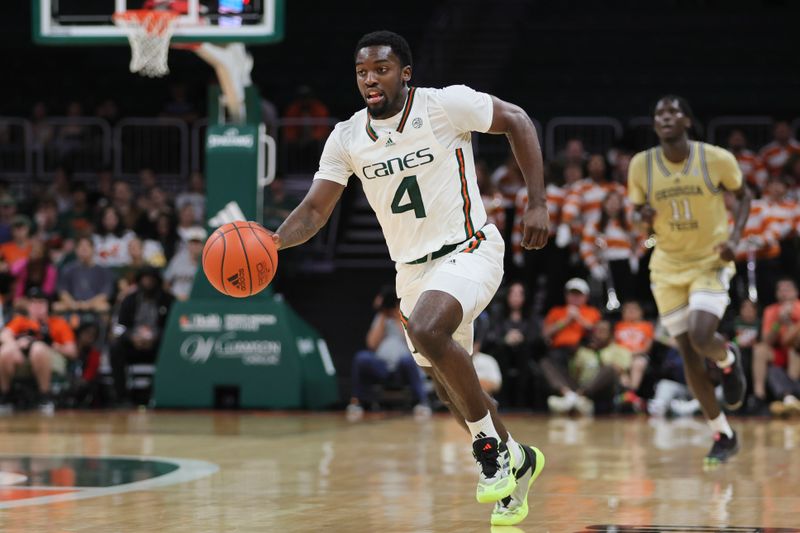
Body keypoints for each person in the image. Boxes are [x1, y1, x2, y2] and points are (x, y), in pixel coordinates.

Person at [268, 31, 547, 526]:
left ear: (405, 73)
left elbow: (518, 121)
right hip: (412, 269)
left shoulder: (444, 106)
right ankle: (518, 458)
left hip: (471, 246)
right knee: (448, 387)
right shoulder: (347, 137)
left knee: (426, 329)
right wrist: (271, 244)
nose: (370, 79)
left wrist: (538, 202)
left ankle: (490, 452)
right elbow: (314, 210)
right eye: (362, 72)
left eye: (381, 69)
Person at [627, 95, 750, 464]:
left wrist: (734, 239)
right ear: (654, 125)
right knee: (687, 352)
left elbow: (744, 197)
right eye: (659, 113)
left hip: (709, 260)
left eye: (673, 111)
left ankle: (728, 357)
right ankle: (723, 433)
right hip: (666, 267)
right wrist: (641, 216)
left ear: (687, 121)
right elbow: (635, 215)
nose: (665, 117)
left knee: (700, 336)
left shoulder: (716, 158)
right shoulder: (641, 166)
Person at [346, 287, 431, 419]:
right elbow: (371, 344)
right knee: (361, 358)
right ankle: (357, 402)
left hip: (402, 368)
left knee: (408, 360)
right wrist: (383, 315)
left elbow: (413, 341)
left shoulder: (408, 315)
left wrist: (398, 316)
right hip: (383, 367)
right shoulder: (381, 317)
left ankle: (422, 402)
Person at [0, 287, 77, 413]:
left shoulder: (58, 323)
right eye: (33, 302)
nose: (37, 306)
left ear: (48, 305)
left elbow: (72, 352)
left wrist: (52, 344)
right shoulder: (21, 321)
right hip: (22, 360)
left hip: (51, 358)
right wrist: (16, 344)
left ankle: (45, 397)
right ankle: (4, 396)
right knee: (5, 350)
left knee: (38, 349)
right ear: (28, 305)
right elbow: (3, 335)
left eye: (41, 302)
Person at [110, 267, 173, 405]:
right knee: (115, 348)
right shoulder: (129, 300)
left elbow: (172, 328)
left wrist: (155, 338)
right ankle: (121, 396)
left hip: (158, 345)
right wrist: (131, 337)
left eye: (151, 279)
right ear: (139, 281)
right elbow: (119, 327)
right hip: (133, 344)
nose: (148, 282)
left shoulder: (168, 300)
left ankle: (162, 394)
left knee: (173, 346)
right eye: (145, 279)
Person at [544, 320, 633, 416]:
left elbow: (619, 371)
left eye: (602, 331)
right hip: (581, 385)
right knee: (546, 363)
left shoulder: (621, 350)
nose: (598, 334)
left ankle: (577, 398)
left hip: (603, 391)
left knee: (609, 369)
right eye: (596, 331)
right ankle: (569, 396)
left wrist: (598, 353)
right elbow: (575, 373)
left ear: (611, 334)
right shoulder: (583, 351)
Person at [751, 278, 800, 416]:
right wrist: (779, 321)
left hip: (796, 355)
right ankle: (759, 397)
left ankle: (791, 394)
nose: (783, 292)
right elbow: (767, 340)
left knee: (793, 349)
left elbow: (793, 342)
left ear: (796, 292)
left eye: (787, 289)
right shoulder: (771, 310)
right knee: (760, 350)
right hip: (779, 354)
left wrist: (789, 322)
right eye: (780, 289)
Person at [54, 236, 115, 315]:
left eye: (87, 246)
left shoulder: (103, 271)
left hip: (94, 304)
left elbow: (105, 294)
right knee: (57, 306)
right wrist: (73, 304)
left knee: (104, 307)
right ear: (76, 250)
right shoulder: (68, 269)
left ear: (93, 249)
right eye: (81, 246)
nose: (84, 249)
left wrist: (88, 304)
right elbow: (62, 291)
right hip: (73, 304)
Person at [163, 226, 205, 301]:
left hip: (197, 302)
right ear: (188, 244)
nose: (195, 246)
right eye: (192, 243)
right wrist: (173, 296)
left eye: (198, 243)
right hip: (175, 301)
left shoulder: (207, 263)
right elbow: (166, 283)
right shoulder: (178, 259)